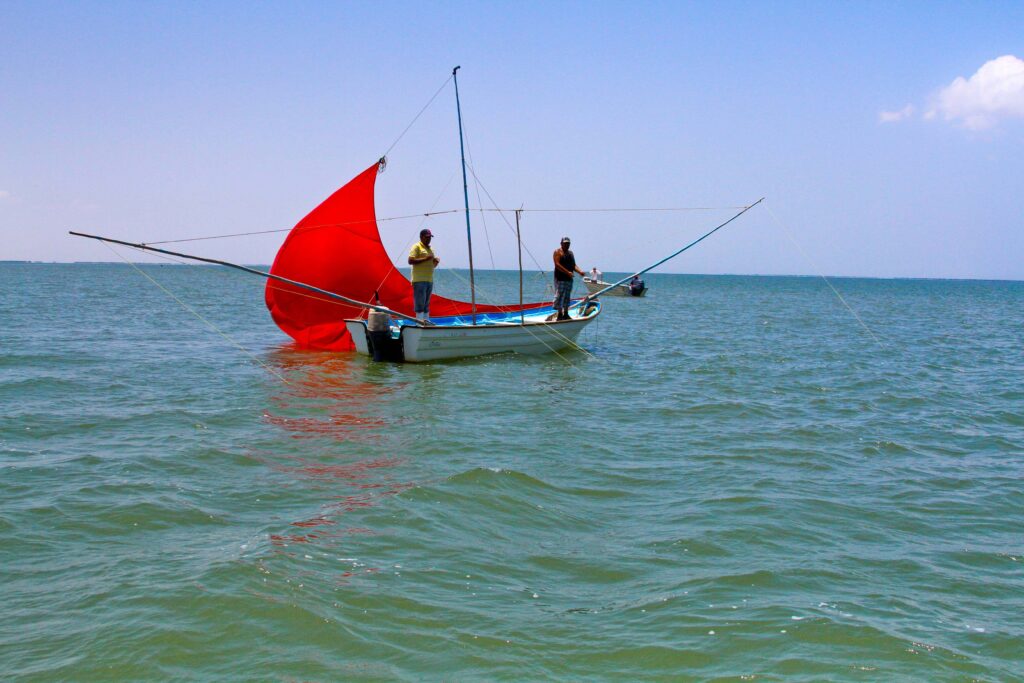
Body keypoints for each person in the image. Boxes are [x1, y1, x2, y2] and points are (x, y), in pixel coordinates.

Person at [408, 228, 439, 321]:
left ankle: (426, 321)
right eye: (427, 237)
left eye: (430, 237)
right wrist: (426, 258)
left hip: (429, 279)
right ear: (421, 237)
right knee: (420, 303)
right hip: (419, 280)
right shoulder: (416, 247)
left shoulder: (431, 248)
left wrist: (435, 262)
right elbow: (410, 260)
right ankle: (419, 322)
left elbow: (431, 265)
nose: (429, 239)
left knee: (427, 303)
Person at [552, 236, 585, 320]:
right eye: (565, 243)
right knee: (560, 295)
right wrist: (567, 272)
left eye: (568, 243)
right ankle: (559, 314)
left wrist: (580, 271)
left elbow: (573, 265)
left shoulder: (570, 253)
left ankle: (566, 313)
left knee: (567, 296)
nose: (567, 245)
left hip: (569, 278)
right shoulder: (557, 252)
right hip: (560, 278)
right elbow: (557, 264)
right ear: (561, 243)